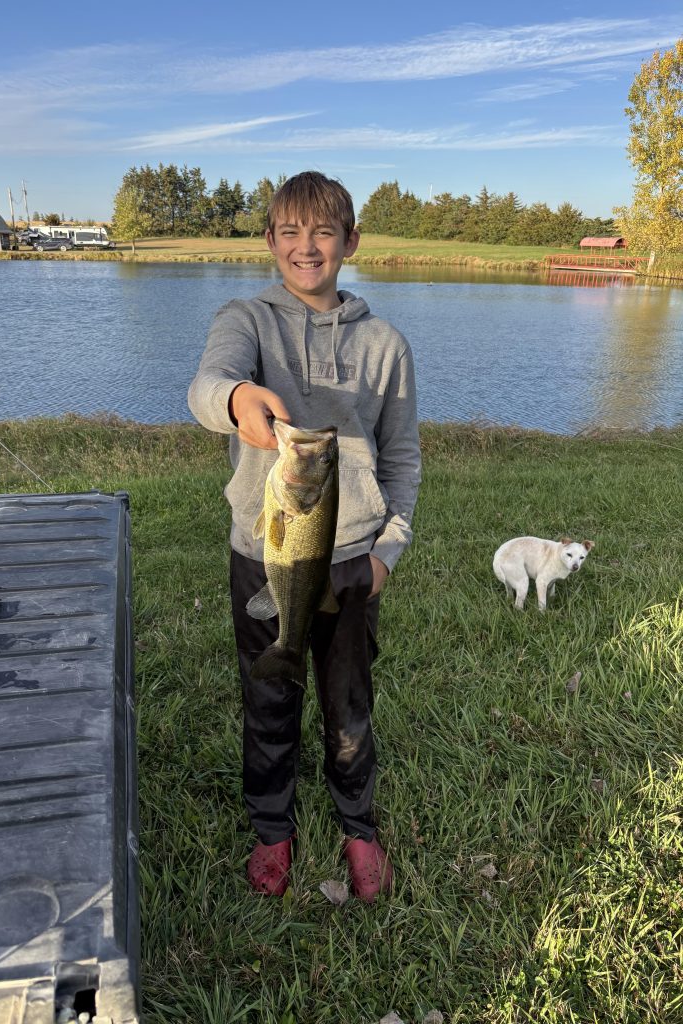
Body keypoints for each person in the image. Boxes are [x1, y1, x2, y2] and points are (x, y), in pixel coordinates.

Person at [187, 171, 421, 901]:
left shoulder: (385, 344)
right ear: (270, 241)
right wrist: (235, 398)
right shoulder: (246, 320)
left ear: (350, 241)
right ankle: (272, 830)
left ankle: (358, 826)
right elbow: (206, 386)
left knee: (349, 705)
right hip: (265, 557)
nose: (305, 247)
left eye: (322, 232)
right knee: (268, 704)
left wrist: (388, 550)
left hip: (352, 558)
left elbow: (403, 456)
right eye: (289, 231)